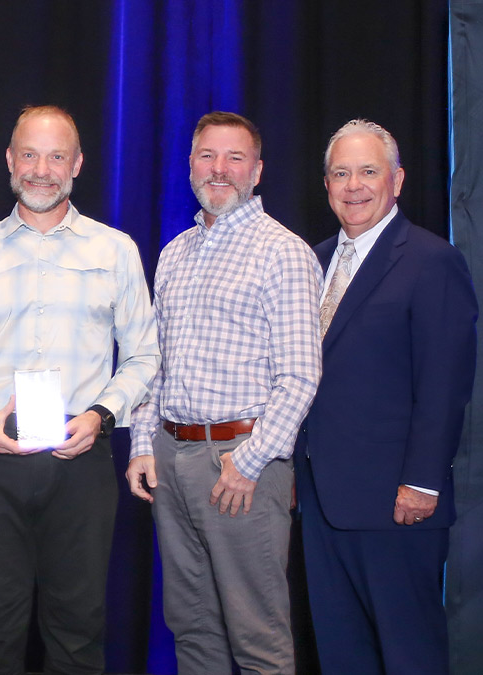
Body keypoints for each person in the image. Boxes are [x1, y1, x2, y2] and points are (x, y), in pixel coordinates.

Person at [0, 105, 159, 674]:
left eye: (57, 156)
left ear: (78, 164)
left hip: (80, 461)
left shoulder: (115, 250)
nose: (41, 169)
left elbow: (144, 355)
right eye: (29, 154)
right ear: (9, 160)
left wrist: (102, 415)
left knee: (78, 630)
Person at [127, 111, 323, 674]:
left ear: (257, 171)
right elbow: (154, 365)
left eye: (235, 158)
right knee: (191, 627)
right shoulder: (174, 254)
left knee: (257, 634)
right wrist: (143, 445)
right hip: (172, 456)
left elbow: (301, 375)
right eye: (208, 156)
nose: (220, 169)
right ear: (190, 166)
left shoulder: (282, 252)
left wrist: (250, 462)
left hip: (241, 462)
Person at [295, 119, 476, 674]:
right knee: (341, 653)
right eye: (341, 173)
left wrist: (421, 482)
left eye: (368, 171)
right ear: (326, 185)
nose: (354, 185)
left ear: (396, 180)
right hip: (320, 501)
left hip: (397, 503)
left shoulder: (430, 260)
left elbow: (445, 384)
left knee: (409, 654)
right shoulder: (312, 260)